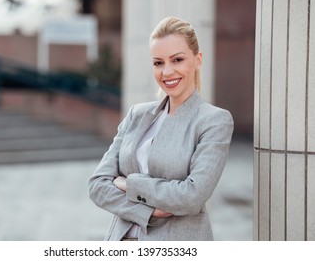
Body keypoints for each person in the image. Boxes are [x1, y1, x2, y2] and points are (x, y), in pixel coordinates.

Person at [88, 16, 234, 241]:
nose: (167, 72)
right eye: (158, 62)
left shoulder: (215, 121)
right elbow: (98, 186)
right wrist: (149, 210)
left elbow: (191, 197)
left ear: (197, 60)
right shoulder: (137, 114)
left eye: (177, 60)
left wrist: (129, 184)